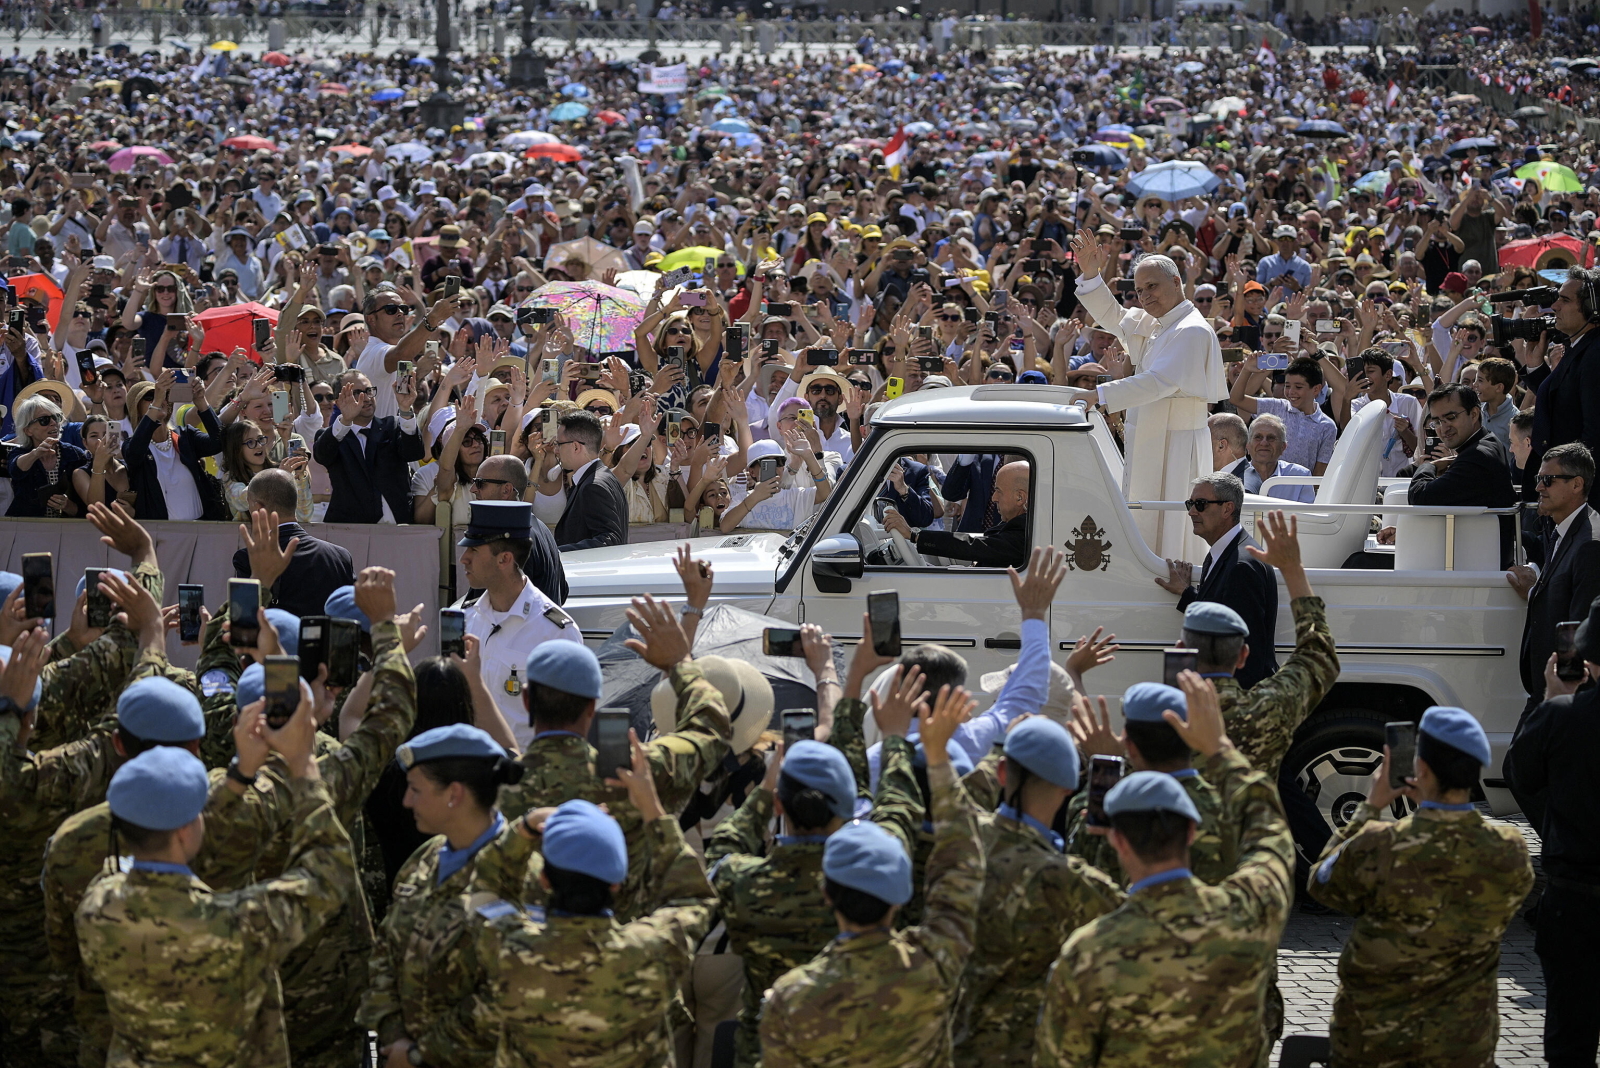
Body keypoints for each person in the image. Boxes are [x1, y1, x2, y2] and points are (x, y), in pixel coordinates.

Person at [76, 703, 356, 1068]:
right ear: (184, 830)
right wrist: (302, 767)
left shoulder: (97, 905)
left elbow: (179, 844)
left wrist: (241, 774)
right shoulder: (237, 924)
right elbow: (329, 872)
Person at [1035, 673, 1293, 1067]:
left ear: (1118, 839)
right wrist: (1220, 749)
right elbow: (1270, 834)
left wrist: (1106, 772)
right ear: (1191, 830)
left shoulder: (1087, 954)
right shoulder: (1249, 913)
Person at [759, 684, 986, 1068]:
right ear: (900, 898)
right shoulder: (935, 964)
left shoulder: (790, 996)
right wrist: (938, 760)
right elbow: (963, 860)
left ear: (827, 893)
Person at [708, 682, 923, 1068]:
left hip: (767, 1052)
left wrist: (767, 788)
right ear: (851, 808)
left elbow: (724, 847)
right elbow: (897, 809)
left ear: (779, 804)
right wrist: (894, 740)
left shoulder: (743, 884)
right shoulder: (876, 874)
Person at [1308, 707, 1534, 1068]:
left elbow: (1322, 880)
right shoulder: (1509, 849)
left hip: (1375, 1045)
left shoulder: (1381, 844)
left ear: (1421, 770)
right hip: (1463, 1046)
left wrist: (1371, 807)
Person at [466, 749, 716, 1068]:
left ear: (544, 880)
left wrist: (526, 827)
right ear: (616, 883)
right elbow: (694, 896)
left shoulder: (508, 951)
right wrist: (652, 807)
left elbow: (485, 887)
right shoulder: (651, 950)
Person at [495, 596, 733, 922]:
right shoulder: (636, 773)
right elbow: (712, 729)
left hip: (522, 955)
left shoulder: (493, 786)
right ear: (594, 705)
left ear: (526, 700)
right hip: (627, 948)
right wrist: (679, 662)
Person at [954, 716, 1123, 1068]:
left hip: (955, 1046)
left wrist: (1004, 747)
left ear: (1002, 773)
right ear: (1067, 790)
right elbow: (1137, 919)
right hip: (1026, 1053)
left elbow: (960, 795)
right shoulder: (1065, 879)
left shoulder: (960, 840)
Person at [358, 723, 522, 1068]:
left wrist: (421, 1055)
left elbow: (506, 993)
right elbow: (386, 947)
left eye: (416, 790)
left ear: (454, 794)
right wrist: (393, 1035)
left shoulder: (518, 876)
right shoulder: (427, 857)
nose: (406, 800)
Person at [1066, 233, 1227, 561]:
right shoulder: (1157, 324)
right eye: (1139, 290)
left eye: (1151, 286)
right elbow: (1112, 316)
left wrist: (1099, 393)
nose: (1144, 296)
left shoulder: (1191, 329)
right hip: (1153, 436)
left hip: (1177, 442)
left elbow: (1159, 382)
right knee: (1147, 520)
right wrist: (1091, 275)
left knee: (1171, 526)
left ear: (1177, 281)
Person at [1504, 596, 1600, 1067]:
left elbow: (1520, 775)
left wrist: (1553, 700)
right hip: (1574, 897)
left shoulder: (1564, 716)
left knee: (1570, 1037)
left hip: (1576, 900)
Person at [456, 500, 580, 750]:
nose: (463, 559)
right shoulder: (464, 619)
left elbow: (567, 733)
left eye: (474, 550)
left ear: (504, 559)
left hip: (523, 779)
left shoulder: (555, 633)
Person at [1154, 472, 1278, 688]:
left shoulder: (1241, 567)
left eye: (1200, 504)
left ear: (1227, 509)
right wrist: (1186, 593)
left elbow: (1247, 651)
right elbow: (1220, 614)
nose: (1192, 512)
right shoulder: (1222, 553)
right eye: (1190, 504)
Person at [1505, 442, 1600, 720]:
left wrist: (1563, 704)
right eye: (1538, 479)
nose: (1538, 488)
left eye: (1548, 480)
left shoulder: (1590, 545)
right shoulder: (1561, 529)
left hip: (1563, 701)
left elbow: (1581, 634)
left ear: (1576, 484)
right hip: (1546, 694)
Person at [1406, 383, 1517, 565]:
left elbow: (1420, 497)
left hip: (1478, 566)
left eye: (1450, 417)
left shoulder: (1477, 456)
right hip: (1470, 554)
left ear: (1474, 414)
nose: (1443, 428)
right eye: (1438, 422)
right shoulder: (1486, 441)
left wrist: (1429, 466)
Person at [232, 474, 356, 619]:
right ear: (294, 502)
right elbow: (353, 612)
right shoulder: (340, 556)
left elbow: (243, 620)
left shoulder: (250, 559)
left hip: (275, 640)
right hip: (329, 641)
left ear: (258, 508)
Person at [1526, 268, 1600, 505]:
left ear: (1592, 308)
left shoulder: (1595, 353)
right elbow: (1563, 405)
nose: (1555, 306)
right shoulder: (1580, 346)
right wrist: (1536, 368)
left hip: (1580, 498)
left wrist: (1578, 497)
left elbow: (1594, 436)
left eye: (1565, 300)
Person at [313, 369, 425, 524]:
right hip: (349, 531)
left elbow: (413, 453)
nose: (365, 398)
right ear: (339, 401)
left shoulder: (392, 426)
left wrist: (405, 410)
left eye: (369, 391)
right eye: (357, 392)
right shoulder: (333, 435)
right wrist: (345, 420)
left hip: (398, 528)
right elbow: (322, 455)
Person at [883, 458, 1030, 569]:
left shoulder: (1026, 532)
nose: (994, 498)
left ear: (1020, 497)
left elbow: (976, 546)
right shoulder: (1016, 525)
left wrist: (914, 536)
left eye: (998, 491)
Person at [465, 453, 567, 605]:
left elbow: (489, 606)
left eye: (481, 483)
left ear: (506, 490)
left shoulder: (506, 537)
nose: (473, 489)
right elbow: (563, 593)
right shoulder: (541, 529)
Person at [1230, 355, 1339, 476]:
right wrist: (1246, 369)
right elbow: (1236, 399)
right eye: (1287, 386)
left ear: (1316, 389)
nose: (1291, 392)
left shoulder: (1327, 426)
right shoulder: (1276, 406)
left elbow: (1319, 472)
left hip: (1299, 491)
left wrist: (1305, 493)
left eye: (1298, 387)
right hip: (1264, 487)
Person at [548, 409, 629, 552]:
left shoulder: (593, 486)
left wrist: (557, 553)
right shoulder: (601, 477)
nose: (556, 450)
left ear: (575, 446)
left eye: (558, 444)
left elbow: (611, 540)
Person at [1225, 413, 1315, 503]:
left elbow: (1307, 515)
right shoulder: (1233, 477)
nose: (1264, 443)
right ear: (1248, 445)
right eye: (1258, 437)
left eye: (1271, 438)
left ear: (1283, 447)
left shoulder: (1300, 476)